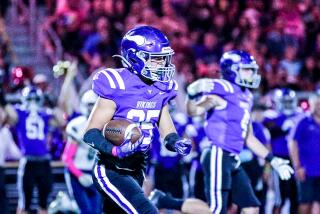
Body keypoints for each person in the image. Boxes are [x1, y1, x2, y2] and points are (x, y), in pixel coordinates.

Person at [83, 25, 192, 213]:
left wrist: (176, 142)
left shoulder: (161, 88)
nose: (162, 65)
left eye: (163, 60)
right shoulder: (116, 83)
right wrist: (116, 150)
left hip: (138, 166)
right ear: (135, 58)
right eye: (156, 60)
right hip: (111, 168)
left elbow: (166, 129)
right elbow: (90, 132)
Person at [186, 50, 294, 214]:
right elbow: (194, 111)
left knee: (251, 208)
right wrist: (192, 93)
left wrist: (273, 160)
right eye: (246, 69)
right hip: (218, 153)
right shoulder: (225, 87)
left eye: (252, 69)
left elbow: (249, 138)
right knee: (216, 210)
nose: (251, 73)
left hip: (233, 157)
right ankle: (169, 202)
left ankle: (166, 200)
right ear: (232, 70)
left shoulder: (247, 96)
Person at [7, 86, 65, 214]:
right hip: (28, 161)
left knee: (44, 203)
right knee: (24, 203)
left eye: (35, 99)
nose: (33, 102)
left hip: (44, 161)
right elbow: (8, 114)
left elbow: (61, 122)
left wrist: (53, 105)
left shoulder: (45, 114)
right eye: (30, 99)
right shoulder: (19, 112)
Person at [62, 90, 101, 214]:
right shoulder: (77, 125)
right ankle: (65, 206)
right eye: (90, 105)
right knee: (84, 210)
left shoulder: (104, 125)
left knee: (96, 210)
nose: (92, 108)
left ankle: (66, 205)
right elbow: (67, 158)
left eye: (95, 104)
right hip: (77, 172)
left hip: (94, 173)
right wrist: (79, 175)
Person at [263, 88, 300, 214]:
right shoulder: (271, 117)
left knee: (297, 196)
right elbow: (267, 132)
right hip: (279, 159)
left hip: (297, 160)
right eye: (285, 102)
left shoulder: (300, 116)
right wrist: (282, 128)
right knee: (279, 198)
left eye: (290, 102)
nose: (288, 105)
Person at [288, 93, 320, 214]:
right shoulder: (303, 121)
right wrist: (297, 166)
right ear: (311, 105)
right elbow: (292, 143)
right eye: (317, 104)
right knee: (305, 204)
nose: (319, 107)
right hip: (306, 171)